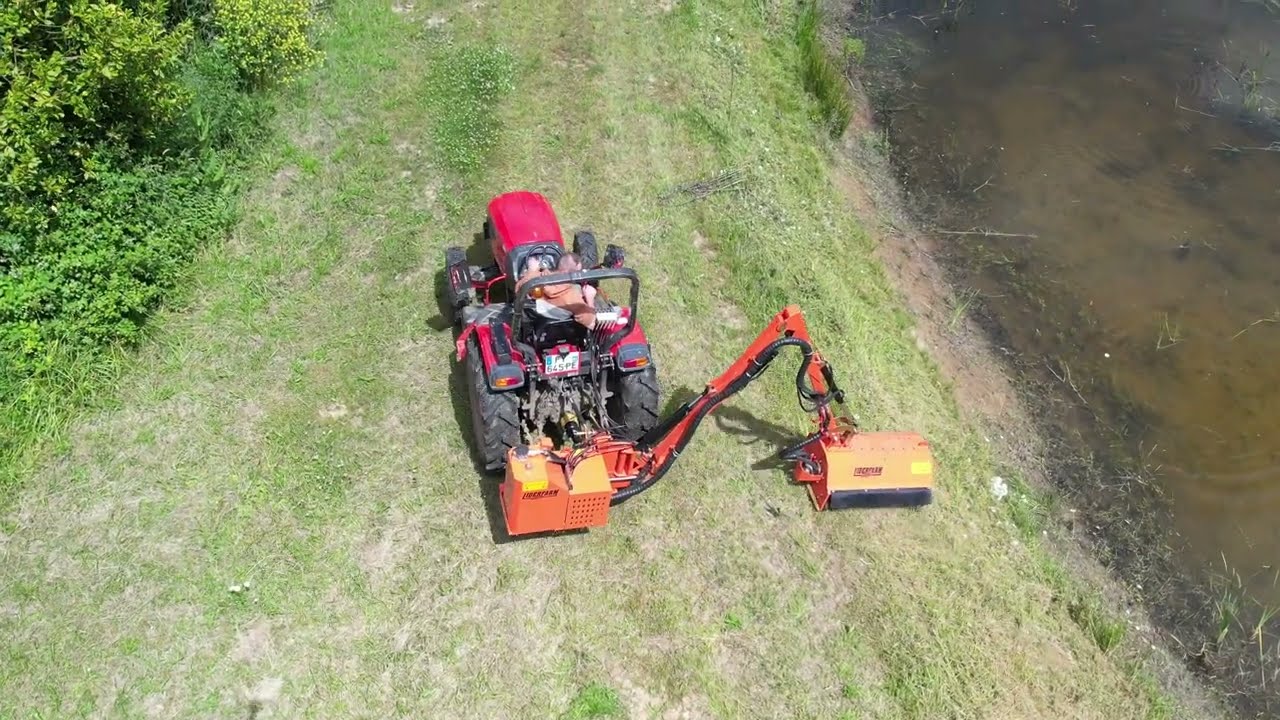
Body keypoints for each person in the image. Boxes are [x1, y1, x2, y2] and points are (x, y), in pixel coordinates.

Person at [515, 252, 624, 330]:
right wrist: (589, 298)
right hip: (561, 331)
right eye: (578, 273)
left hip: (534, 322)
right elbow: (592, 323)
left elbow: (517, 288)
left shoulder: (534, 280)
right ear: (569, 272)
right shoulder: (573, 298)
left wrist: (532, 270)